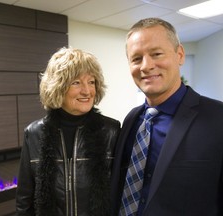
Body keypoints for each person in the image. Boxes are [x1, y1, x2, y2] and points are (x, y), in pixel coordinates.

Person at [111, 17, 223, 216]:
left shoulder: (218, 118)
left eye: (156, 54)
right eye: (136, 58)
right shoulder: (132, 120)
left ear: (179, 54)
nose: (146, 66)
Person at [16, 47, 120, 216]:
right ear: (58, 87)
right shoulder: (34, 133)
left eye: (91, 82)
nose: (87, 91)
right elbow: (24, 201)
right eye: (76, 82)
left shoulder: (111, 131)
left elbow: (121, 193)